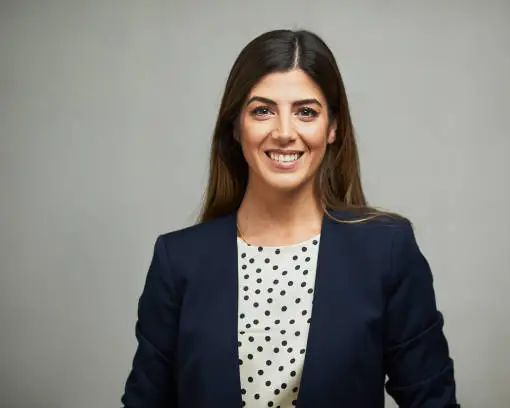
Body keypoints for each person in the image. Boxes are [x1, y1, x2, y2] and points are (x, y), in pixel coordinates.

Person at [121, 29, 460, 408]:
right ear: (236, 127)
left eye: (306, 112)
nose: (285, 133)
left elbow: (433, 402)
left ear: (333, 127)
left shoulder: (387, 250)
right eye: (262, 110)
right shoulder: (178, 259)